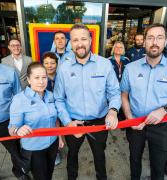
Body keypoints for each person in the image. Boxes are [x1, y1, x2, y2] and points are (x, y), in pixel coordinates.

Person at [54, 24, 121, 180]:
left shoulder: (104, 64)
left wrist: (113, 111)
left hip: (99, 121)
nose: (79, 43)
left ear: (90, 40)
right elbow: (58, 98)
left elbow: (114, 92)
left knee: (99, 154)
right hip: (73, 121)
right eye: (75, 39)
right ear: (71, 43)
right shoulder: (63, 68)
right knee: (72, 154)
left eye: (83, 38)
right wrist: (67, 122)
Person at [121, 23, 167, 180]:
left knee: (158, 165)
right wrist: (129, 118)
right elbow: (124, 95)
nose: (154, 41)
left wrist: (165, 109)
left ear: (165, 42)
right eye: (150, 37)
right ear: (144, 42)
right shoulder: (130, 68)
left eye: (159, 37)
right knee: (134, 161)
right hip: (135, 124)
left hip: (162, 126)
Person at [9, 62, 59, 180]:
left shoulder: (51, 95)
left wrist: (60, 137)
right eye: (36, 78)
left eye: (44, 77)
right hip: (34, 149)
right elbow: (11, 128)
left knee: (49, 174)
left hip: (53, 144)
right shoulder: (19, 100)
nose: (41, 82)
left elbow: (55, 120)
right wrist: (18, 129)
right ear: (29, 80)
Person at [0, 35, 29, 180]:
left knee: (16, 152)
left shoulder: (7, 71)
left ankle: (19, 172)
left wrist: (19, 121)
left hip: (7, 123)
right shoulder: (6, 61)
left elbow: (18, 97)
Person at [42, 51, 64, 166]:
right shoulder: (41, 79)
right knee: (50, 128)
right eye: (46, 63)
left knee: (61, 128)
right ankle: (53, 152)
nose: (50, 66)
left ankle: (58, 148)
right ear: (43, 64)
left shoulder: (62, 77)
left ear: (57, 64)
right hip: (48, 109)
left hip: (61, 107)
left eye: (52, 63)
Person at [108, 41, 130, 121]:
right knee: (114, 103)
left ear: (123, 49)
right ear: (113, 49)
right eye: (116, 47)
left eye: (120, 47)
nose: (118, 49)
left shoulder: (127, 60)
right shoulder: (108, 61)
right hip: (113, 88)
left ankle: (122, 121)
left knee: (124, 103)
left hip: (124, 87)